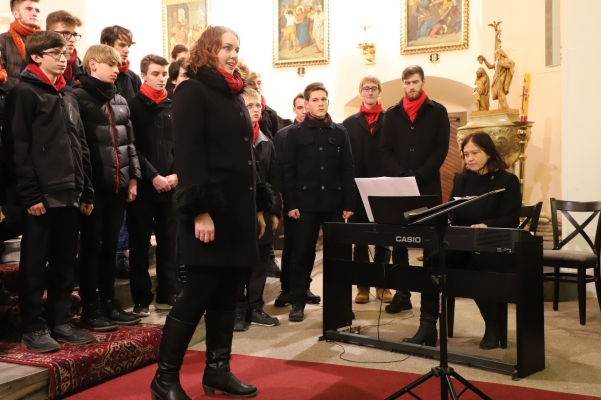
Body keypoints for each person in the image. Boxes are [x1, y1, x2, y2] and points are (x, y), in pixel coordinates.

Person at [150, 25, 269, 399]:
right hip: (207, 212)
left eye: (237, 48)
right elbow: (187, 154)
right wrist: (200, 211)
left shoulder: (233, 94)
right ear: (209, 48)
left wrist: (259, 208)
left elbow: (244, 157)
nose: (233, 54)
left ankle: (218, 369)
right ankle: (165, 378)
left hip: (236, 212)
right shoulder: (191, 90)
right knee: (198, 292)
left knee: (228, 293)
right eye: (226, 47)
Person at [3, 31, 95, 351]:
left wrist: (87, 191)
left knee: (64, 262)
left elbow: (80, 145)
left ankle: (61, 321)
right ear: (37, 57)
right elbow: (18, 148)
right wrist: (30, 195)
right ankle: (34, 326)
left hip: (71, 191)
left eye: (65, 52)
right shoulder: (24, 93)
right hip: (41, 196)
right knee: (34, 264)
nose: (63, 57)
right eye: (55, 52)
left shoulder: (68, 95)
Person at [403, 131, 521, 349]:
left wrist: (487, 225)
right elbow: (452, 212)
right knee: (434, 259)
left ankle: (492, 327)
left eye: (475, 152)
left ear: (489, 152)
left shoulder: (507, 180)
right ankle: (427, 326)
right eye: (466, 154)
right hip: (463, 245)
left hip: (493, 248)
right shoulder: (461, 179)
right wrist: (441, 218)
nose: (470, 158)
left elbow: (511, 219)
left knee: (479, 264)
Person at [72, 44, 141, 331]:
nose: (116, 69)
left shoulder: (120, 100)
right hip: (93, 188)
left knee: (111, 247)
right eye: (109, 64)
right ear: (92, 66)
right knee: (92, 247)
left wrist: (133, 177)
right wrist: (85, 190)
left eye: (117, 64)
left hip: (117, 186)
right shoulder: (75, 98)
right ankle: (91, 306)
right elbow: (78, 148)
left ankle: (110, 301)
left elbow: (129, 144)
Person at [282, 82, 355, 322]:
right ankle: (298, 301)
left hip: (334, 202)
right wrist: (290, 203)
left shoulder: (340, 131)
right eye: (315, 100)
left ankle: (340, 303)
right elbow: (288, 171)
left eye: (324, 99)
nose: (320, 103)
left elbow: (347, 169)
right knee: (301, 254)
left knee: (339, 254)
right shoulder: (294, 133)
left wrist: (349, 203)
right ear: (306, 104)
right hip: (305, 203)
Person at [380, 65, 449, 314]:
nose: (411, 87)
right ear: (402, 84)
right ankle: (402, 293)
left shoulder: (438, 111)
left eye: (415, 82)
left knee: (430, 242)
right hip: (399, 188)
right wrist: (401, 176)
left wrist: (418, 176)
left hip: (427, 186)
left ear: (423, 82)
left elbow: (441, 150)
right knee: (399, 243)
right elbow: (385, 150)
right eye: (407, 83)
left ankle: (431, 298)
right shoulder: (392, 114)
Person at [127, 54, 181, 317]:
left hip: (170, 185)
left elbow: (183, 146)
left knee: (169, 242)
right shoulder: (132, 106)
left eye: (164, 75)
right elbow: (132, 147)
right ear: (144, 75)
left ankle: (167, 294)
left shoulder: (174, 106)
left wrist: (175, 176)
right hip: (145, 186)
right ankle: (141, 299)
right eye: (156, 74)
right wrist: (153, 176)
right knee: (139, 244)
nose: (161, 79)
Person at [342, 76, 393, 304]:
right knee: (360, 239)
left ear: (379, 92)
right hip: (357, 187)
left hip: (383, 186)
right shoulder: (349, 123)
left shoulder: (391, 120)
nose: (370, 92)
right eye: (366, 88)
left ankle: (383, 285)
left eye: (374, 88)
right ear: (360, 92)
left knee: (383, 238)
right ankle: (362, 286)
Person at [235, 88, 281, 331]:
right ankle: (238, 308)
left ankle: (255, 306)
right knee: (239, 262)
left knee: (260, 262)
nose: (256, 110)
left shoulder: (266, 141)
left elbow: (273, 181)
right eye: (250, 105)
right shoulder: (231, 139)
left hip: (262, 210)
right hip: (239, 211)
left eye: (257, 106)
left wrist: (273, 211)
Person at [100, 25, 141, 277]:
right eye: (121, 44)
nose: (126, 50)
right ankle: (112, 257)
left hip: (128, 150)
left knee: (126, 211)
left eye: (128, 45)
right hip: (106, 155)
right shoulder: (94, 77)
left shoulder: (133, 78)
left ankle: (120, 256)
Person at [272, 93, 311, 308]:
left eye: (306, 107)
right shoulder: (283, 135)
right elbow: (279, 168)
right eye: (299, 107)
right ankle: (287, 288)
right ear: (294, 110)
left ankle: (304, 286)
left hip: (311, 198)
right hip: (292, 196)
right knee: (291, 245)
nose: (304, 111)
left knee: (309, 247)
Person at [0, 0, 41, 85]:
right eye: (29, 9)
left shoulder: (45, 40)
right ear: (16, 14)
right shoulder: (3, 39)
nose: (34, 13)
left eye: (37, 10)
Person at [45, 10, 83, 85]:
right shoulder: (38, 62)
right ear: (49, 34)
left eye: (74, 35)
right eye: (66, 33)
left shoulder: (81, 66)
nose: (72, 39)